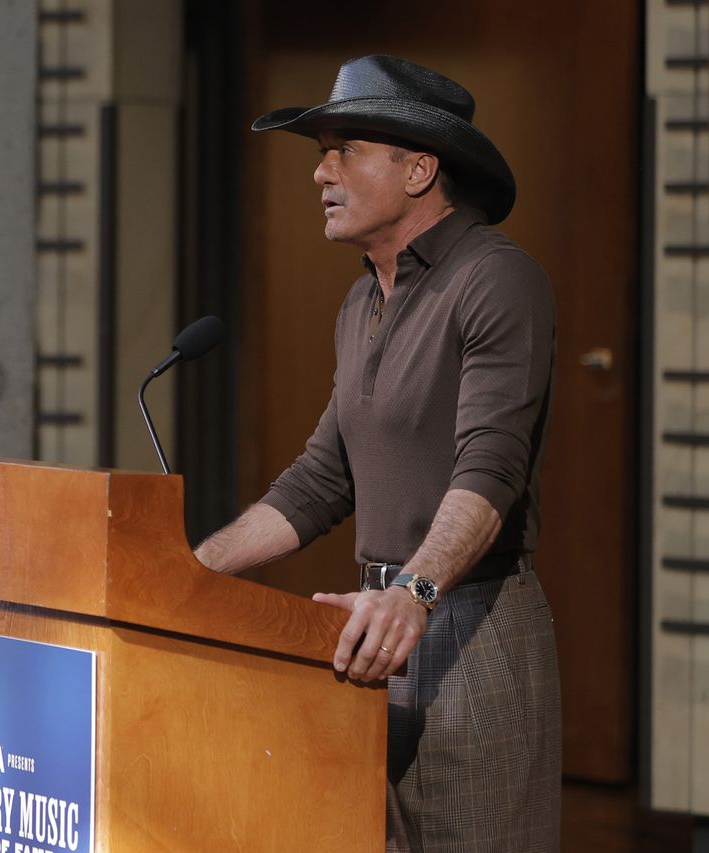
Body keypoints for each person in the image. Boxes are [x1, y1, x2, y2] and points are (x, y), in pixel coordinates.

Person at [194, 55, 560, 852]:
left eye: (345, 148)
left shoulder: (497, 279)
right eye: (321, 152)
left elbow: (492, 465)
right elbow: (324, 478)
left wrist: (415, 590)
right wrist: (191, 572)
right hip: (369, 634)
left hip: (470, 621)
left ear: (421, 168)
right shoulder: (363, 297)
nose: (320, 171)